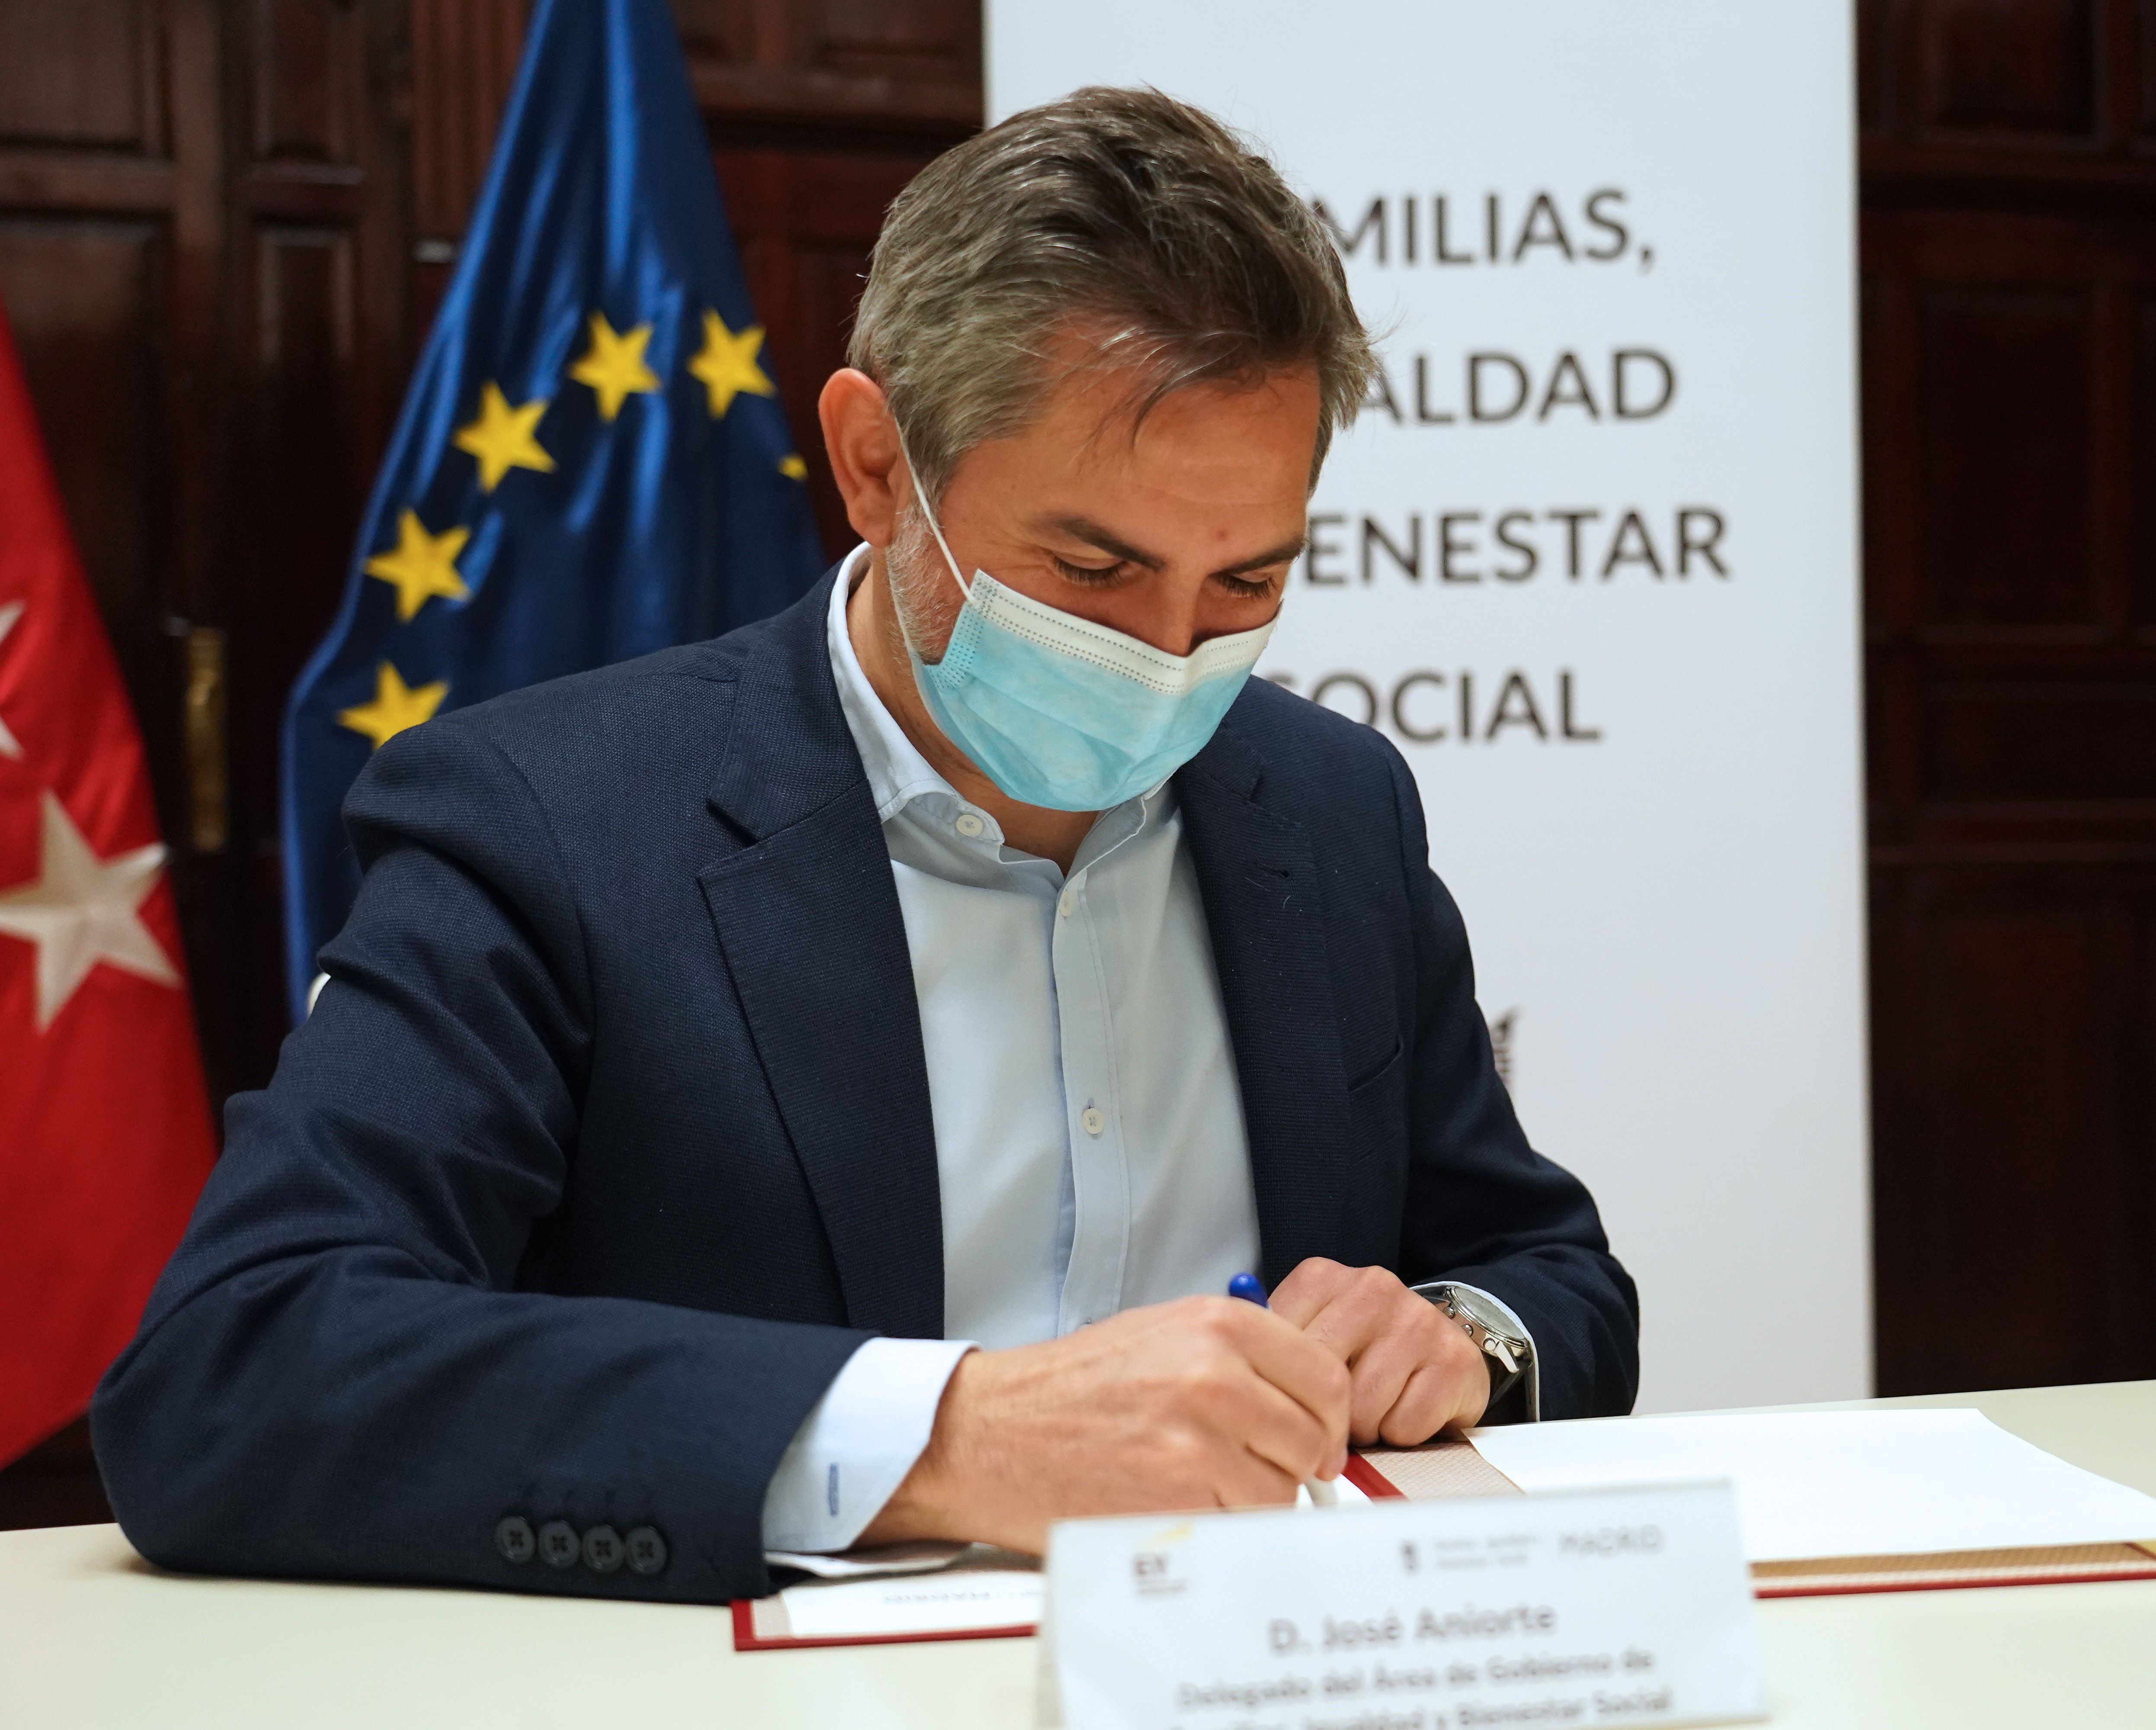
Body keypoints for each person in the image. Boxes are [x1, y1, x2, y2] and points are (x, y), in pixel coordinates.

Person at [91, 87, 1636, 1605]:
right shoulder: (549, 823)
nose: (1170, 658)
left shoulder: (1332, 804)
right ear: (877, 466)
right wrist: (947, 1440)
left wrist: (1460, 1338)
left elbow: (1549, 1269)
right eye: (1090, 570)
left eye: (1246, 584)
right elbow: (240, 1368)